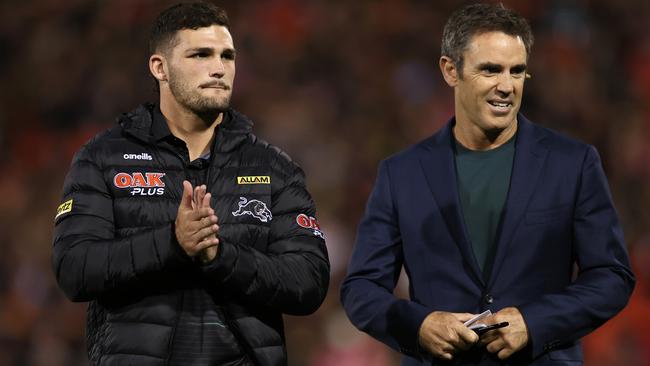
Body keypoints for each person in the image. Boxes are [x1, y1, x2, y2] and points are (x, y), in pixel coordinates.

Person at [340, 3, 635, 365]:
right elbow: (361, 289)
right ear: (451, 71)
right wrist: (420, 325)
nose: (506, 86)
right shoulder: (401, 174)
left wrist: (535, 322)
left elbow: (612, 276)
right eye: (491, 70)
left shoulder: (572, 164)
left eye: (517, 71)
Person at [51, 2, 329, 365]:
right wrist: (172, 243)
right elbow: (74, 269)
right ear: (159, 67)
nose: (219, 68)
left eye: (227, 56)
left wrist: (221, 256)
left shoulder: (274, 168)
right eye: (201, 54)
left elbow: (309, 281)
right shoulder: (103, 158)